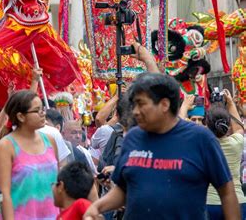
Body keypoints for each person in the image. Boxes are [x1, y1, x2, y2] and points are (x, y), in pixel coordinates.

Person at [84, 73, 240, 219]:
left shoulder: (200, 139)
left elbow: (226, 192)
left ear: (164, 104)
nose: (135, 112)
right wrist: (96, 207)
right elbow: (123, 190)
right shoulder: (132, 138)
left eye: (141, 104)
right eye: (134, 105)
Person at [0, 90, 59, 219]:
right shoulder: (6, 146)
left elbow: (57, 184)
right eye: (37, 111)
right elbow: (4, 193)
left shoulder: (50, 141)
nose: (43, 114)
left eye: (43, 109)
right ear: (21, 116)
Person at [205, 89, 246, 219]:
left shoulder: (202, 144)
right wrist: (230, 103)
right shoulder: (236, 143)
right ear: (228, 126)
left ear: (207, 124)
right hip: (237, 201)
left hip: (209, 203)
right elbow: (240, 127)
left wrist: (184, 105)